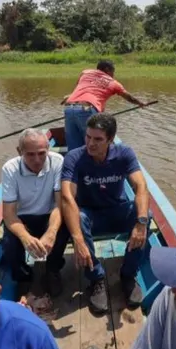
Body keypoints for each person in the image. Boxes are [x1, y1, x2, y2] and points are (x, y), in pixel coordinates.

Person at [60, 112, 149, 315]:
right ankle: (96, 278)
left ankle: (128, 276)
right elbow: (67, 197)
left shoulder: (124, 154)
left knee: (144, 213)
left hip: (117, 211)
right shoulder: (75, 158)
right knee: (79, 218)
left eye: (98, 139)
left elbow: (141, 187)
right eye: (88, 137)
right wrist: (78, 240)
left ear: (110, 139)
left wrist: (141, 223)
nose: (91, 143)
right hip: (90, 216)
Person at [0, 128, 70, 298]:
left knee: (64, 227)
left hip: (49, 214)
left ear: (48, 150)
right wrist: (25, 238)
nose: (37, 160)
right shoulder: (10, 169)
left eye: (41, 153)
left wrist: (51, 233)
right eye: (30, 154)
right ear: (19, 152)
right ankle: (23, 276)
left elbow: (59, 204)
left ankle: (52, 270)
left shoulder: (57, 161)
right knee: (10, 240)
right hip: (22, 217)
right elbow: (8, 214)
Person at [61, 60, 147, 152]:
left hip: (69, 108)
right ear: (107, 70)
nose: (113, 74)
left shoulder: (85, 72)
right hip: (87, 109)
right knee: (93, 146)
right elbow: (129, 97)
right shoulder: (113, 83)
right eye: (113, 71)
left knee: (73, 148)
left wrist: (71, 96)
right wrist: (140, 103)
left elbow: (80, 88)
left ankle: (74, 165)